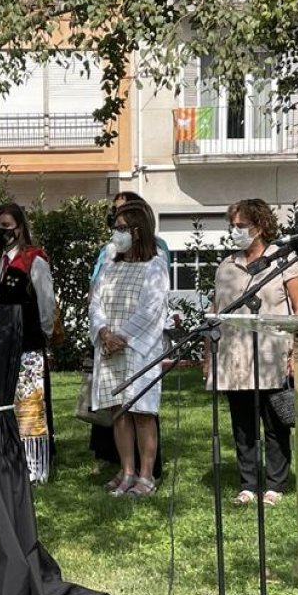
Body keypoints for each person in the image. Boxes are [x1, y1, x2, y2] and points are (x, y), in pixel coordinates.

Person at [207, 199, 298, 507]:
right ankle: (248, 483)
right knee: (242, 424)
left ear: (260, 226)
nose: (235, 231)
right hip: (234, 356)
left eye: (241, 226)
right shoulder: (227, 266)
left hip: (271, 353)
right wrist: (208, 353)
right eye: (233, 225)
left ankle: (275, 484)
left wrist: (296, 352)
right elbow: (215, 311)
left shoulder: (284, 259)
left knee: (274, 422)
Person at [89, 204, 170, 497]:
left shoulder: (155, 265)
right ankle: (126, 471)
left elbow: (150, 309)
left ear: (138, 230)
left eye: (122, 228)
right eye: (116, 227)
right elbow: (95, 302)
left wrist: (121, 337)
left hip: (138, 350)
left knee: (142, 412)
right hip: (110, 347)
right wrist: (103, 333)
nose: (116, 233)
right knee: (119, 411)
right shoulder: (111, 262)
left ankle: (146, 476)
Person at [0, 202, 56, 483]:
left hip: (28, 342)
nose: (2, 231)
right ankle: (9, 457)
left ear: (20, 227)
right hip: (2, 345)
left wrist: (44, 333)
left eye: (7, 226)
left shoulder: (33, 260)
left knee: (30, 403)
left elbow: (46, 302)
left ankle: (35, 465)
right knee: (6, 403)